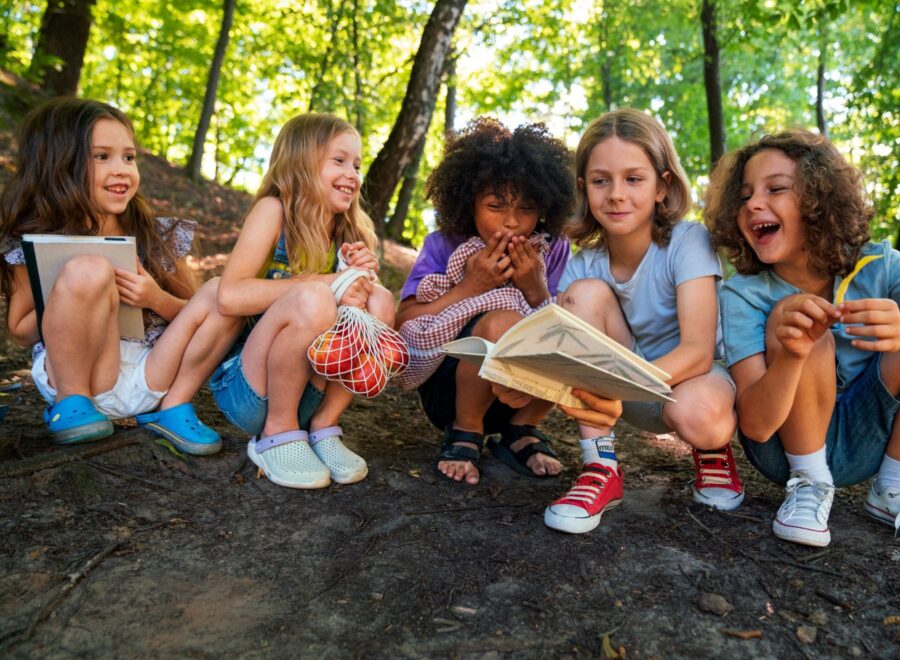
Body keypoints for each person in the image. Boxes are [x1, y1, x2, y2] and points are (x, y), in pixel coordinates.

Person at [704, 129, 900, 556]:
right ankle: (810, 484)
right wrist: (793, 355)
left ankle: (896, 492)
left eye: (775, 188)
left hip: (865, 438)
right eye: (744, 196)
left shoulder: (877, 263)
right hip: (782, 450)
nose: (753, 204)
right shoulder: (743, 293)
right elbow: (757, 426)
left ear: (819, 200)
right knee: (797, 318)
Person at [0, 97, 239, 453]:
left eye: (129, 157)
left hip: (153, 374)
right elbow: (20, 331)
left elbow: (194, 313)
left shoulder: (151, 234)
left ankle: (174, 407)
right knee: (89, 269)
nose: (122, 169)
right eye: (102, 157)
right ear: (59, 165)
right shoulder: (35, 237)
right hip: (81, 371)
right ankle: (70, 403)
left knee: (224, 294)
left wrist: (153, 298)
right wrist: (71, 291)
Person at [544, 108, 742, 535]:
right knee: (585, 296)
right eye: (601, 180)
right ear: (584, 188)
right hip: (625, 390)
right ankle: (600, 468)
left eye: (633, 179)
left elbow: (698, 351)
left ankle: (712, 453)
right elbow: (574, 360)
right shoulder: (584, 266)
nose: (616, 194)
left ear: (661, 185)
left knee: (698, 415)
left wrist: (613, 385)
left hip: (695, 381)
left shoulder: (688, 242)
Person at [212, 113, 394, 490]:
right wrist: (331, 282)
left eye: (357, 165)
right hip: (252, 389)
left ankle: (324, 424)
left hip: (310, 394)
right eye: (339, 161)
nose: (353, 174)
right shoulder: (273, 212)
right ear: (301, 161)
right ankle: (274, 434)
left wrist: (357, 282)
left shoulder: (349, 231)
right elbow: (230, 296)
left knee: (381, 300)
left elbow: (356, 314)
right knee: (312, 296)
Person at [395, 119, 575, 485]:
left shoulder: (554, 249)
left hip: (525, 394)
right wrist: (470, 287)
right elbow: (404, 321)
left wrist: (536, 290)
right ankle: (467, 429)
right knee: (500, 322)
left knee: (571, 328)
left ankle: (522, 430)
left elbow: (565, 325)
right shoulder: (443, 244)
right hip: (450, 390)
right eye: (495, 206)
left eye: (526, 209)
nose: (511, 223)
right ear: (469, 203)